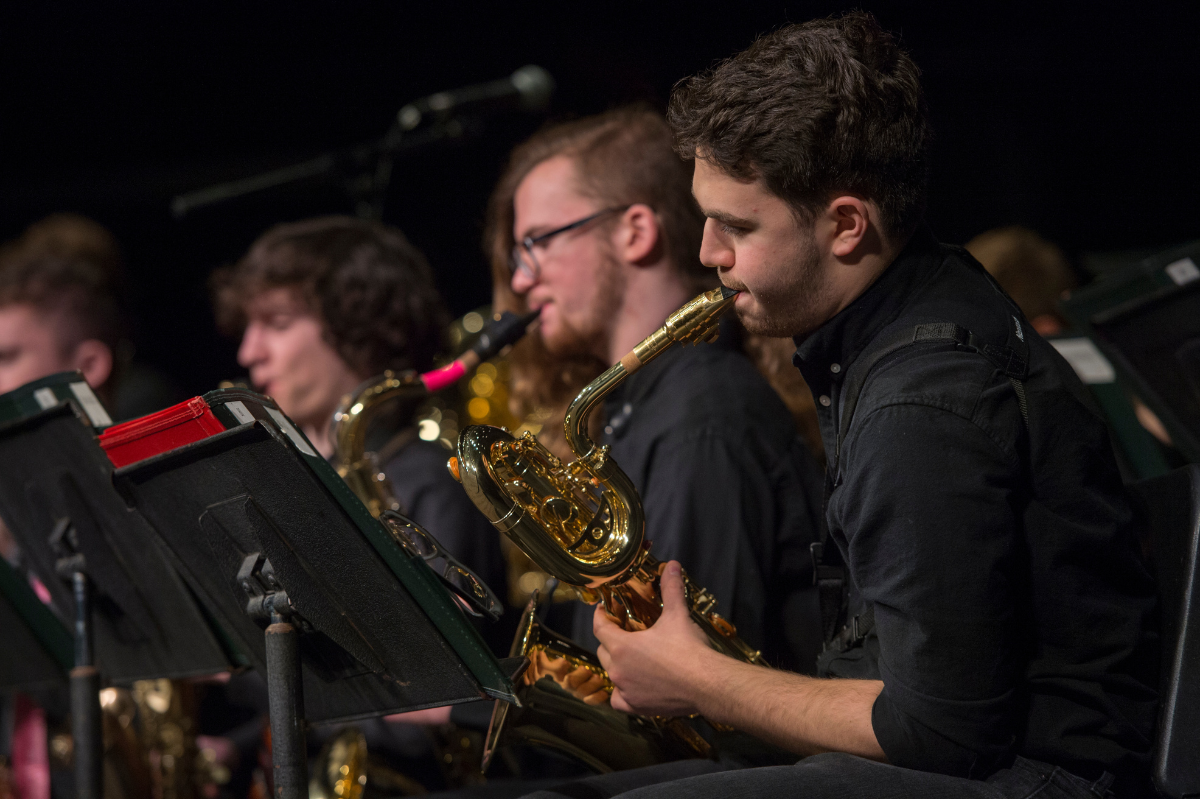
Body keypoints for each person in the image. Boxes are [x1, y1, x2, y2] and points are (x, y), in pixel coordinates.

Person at [549, 13, 1158, 799]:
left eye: (736, 226)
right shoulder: (925, 294)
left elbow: (937, 731)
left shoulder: (920, 408)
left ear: (845, 225)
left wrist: (701, 679)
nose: (706, 254)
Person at [486, 106, 826, 675]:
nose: (521, 281)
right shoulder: (636, 405)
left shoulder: (702, 413)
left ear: (636, 232)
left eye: (538, 242)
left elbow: (691, 696)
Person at [211, 215, 505, 598]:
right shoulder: (294, 479)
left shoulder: (433, 485)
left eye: (278, 323)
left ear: (358, 329)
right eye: (249, 327)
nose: (248, 352)